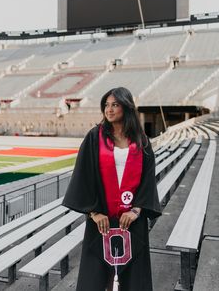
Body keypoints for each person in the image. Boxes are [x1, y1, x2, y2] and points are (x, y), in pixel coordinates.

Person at [62, 87, 161, 291]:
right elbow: (84, 174)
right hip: (102, 221)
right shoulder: (94, 137)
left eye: (115, 104)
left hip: (131, 220)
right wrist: (94, 212)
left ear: (126, 107)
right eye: (106, 105)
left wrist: (136, 210)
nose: (109, 109)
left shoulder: (141, 141)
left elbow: (147, 180)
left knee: (134, 280)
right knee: (96, 278)